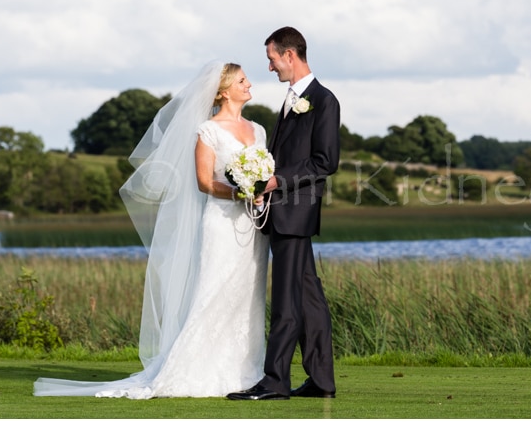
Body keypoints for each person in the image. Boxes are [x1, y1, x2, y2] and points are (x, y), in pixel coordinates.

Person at [33, 61, 270, 399]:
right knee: (213, 292)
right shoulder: (208, 131)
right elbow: (204, 183)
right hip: (221, 222)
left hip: (252, 227)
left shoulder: (258, 129)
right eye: (243, 81)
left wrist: (260, 192)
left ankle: (245, 371)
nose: (249, 85)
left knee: (247, 296)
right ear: (222, 91)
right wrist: (239, 191)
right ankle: (194, 370)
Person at [227, 26, 340, 401]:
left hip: (295, 212)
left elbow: (325, 161)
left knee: (288, 302)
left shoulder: (323, 100)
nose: (271, 67)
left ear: (290, 55)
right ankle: (322, 380)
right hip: (281, 211)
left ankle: (275, 380)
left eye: (272, 59)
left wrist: (275, 182)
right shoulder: (294, 98)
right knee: (309, 298)